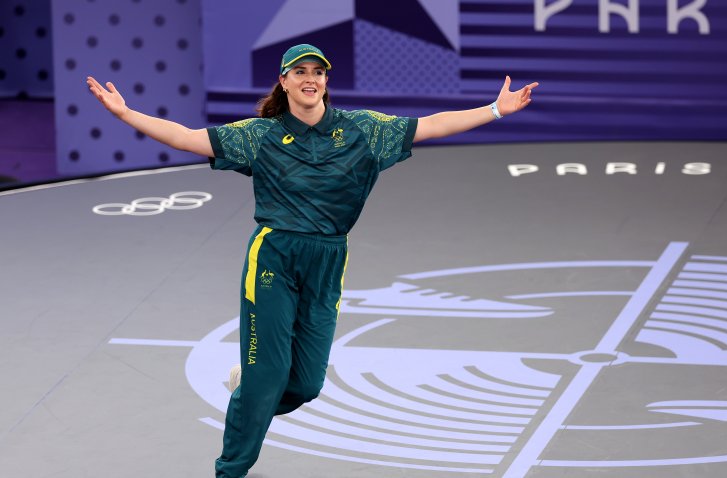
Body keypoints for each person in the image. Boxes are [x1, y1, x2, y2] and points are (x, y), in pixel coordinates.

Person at [87, 43, 538, 478]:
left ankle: (247, 392)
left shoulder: (365, 130)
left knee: (305, 385)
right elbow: (187, 138)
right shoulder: (260, 136)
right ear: (283, 82)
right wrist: (125, 113)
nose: (309, 79)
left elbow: (431, 125)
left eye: (317, 72)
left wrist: (495, 110)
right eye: (299, 72)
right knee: (268, 377)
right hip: (274, 257)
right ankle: (231, 469)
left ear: (325, 81)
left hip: (328, 259)